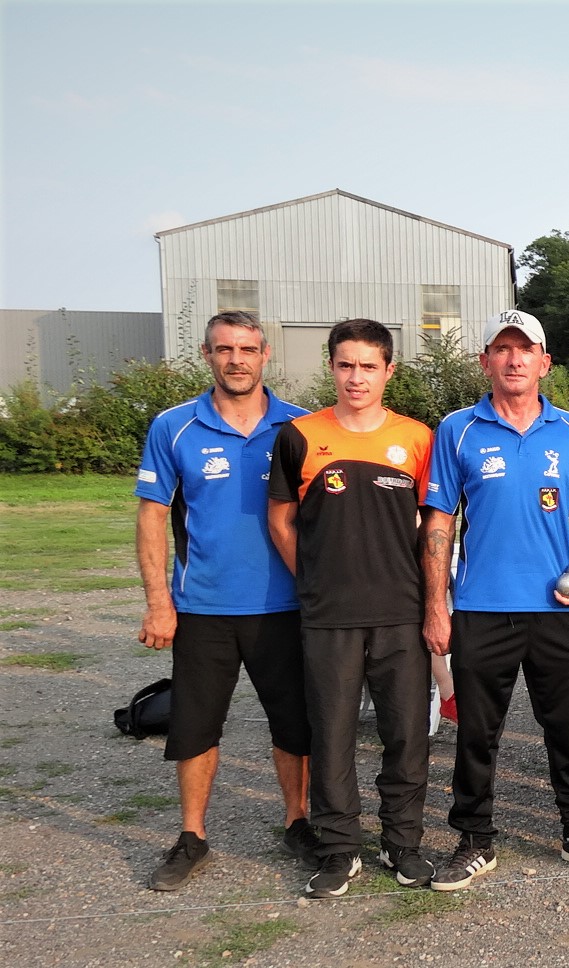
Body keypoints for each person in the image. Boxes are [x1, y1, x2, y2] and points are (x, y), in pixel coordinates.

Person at [419, 310, 569, 892]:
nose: (513, 359)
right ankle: (474, 839)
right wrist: (437, 605)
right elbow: (439, 523)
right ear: (485, 361)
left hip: (559, 610)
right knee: (478, 732)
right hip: (482, 609)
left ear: (544, 362)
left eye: (524, 349)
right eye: (502, 350)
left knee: (567, 726)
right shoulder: (457, 429)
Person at [135, 311, 314, 891]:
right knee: (194, 727)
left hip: (286, 608)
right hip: (203, 607)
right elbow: (152, 516)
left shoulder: (300, 426)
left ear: (266, 355)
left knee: (295, 725)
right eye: (223, 349)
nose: (236, 359)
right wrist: (159, 601)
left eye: (247, 349)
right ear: (207, 356)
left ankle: (298, 822)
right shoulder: (174, 427)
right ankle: (192, 837)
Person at [268, 318, 434, 897]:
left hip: (400, 612)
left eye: (368, 366)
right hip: (328, 615)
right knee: (332, 733)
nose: (356, 377)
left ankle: (402, 843)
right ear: (331, 367)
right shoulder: (297, 435)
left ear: (389, 370)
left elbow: (431, 524)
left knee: (406, 734)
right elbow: (282, 520)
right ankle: (339, 849)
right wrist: (314, 581)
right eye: (345, 365)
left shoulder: (418, 438)